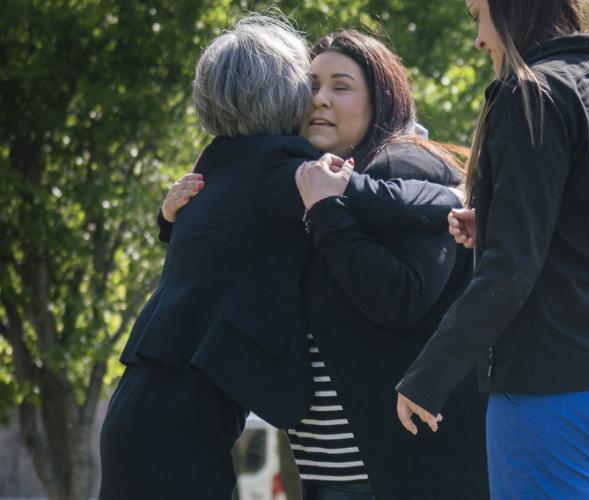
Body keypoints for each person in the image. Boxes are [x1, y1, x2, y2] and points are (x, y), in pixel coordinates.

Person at [99, 15, 460, 500]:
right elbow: (380, 196)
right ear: (284, 91)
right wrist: (459, 196)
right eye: (307, 84)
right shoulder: (282, 168)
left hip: (140, 408)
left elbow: (213, 240)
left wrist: (166, 220)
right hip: (181, 426)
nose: (316, 99)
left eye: (335, 87)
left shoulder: (218, 160)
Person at [393, 1, 589, 499]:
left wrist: (426, 377)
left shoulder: (530, 94)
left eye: (478, 14)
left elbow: (511, 269)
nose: (479, 39)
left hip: (554, 390)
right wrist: (501, 221)